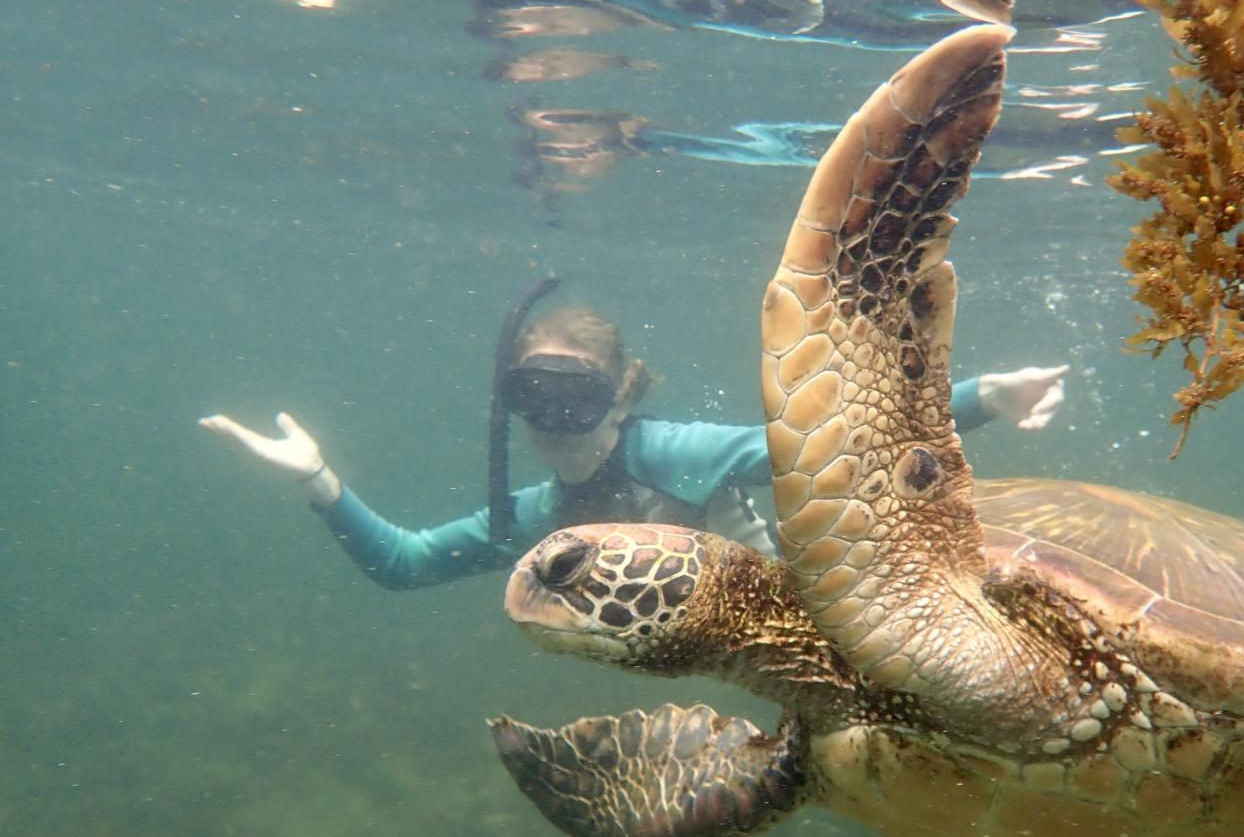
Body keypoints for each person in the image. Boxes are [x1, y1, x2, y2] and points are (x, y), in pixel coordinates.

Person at [200, 302, 1068, 590]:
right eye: (529, 394)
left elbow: (841, 446)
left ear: (619, 395)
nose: (549, 418)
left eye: (572, 394)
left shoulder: (682, 454)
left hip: (798, 623)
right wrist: (318, 479)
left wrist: (986, 396)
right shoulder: (532, 515)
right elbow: (402, 565)